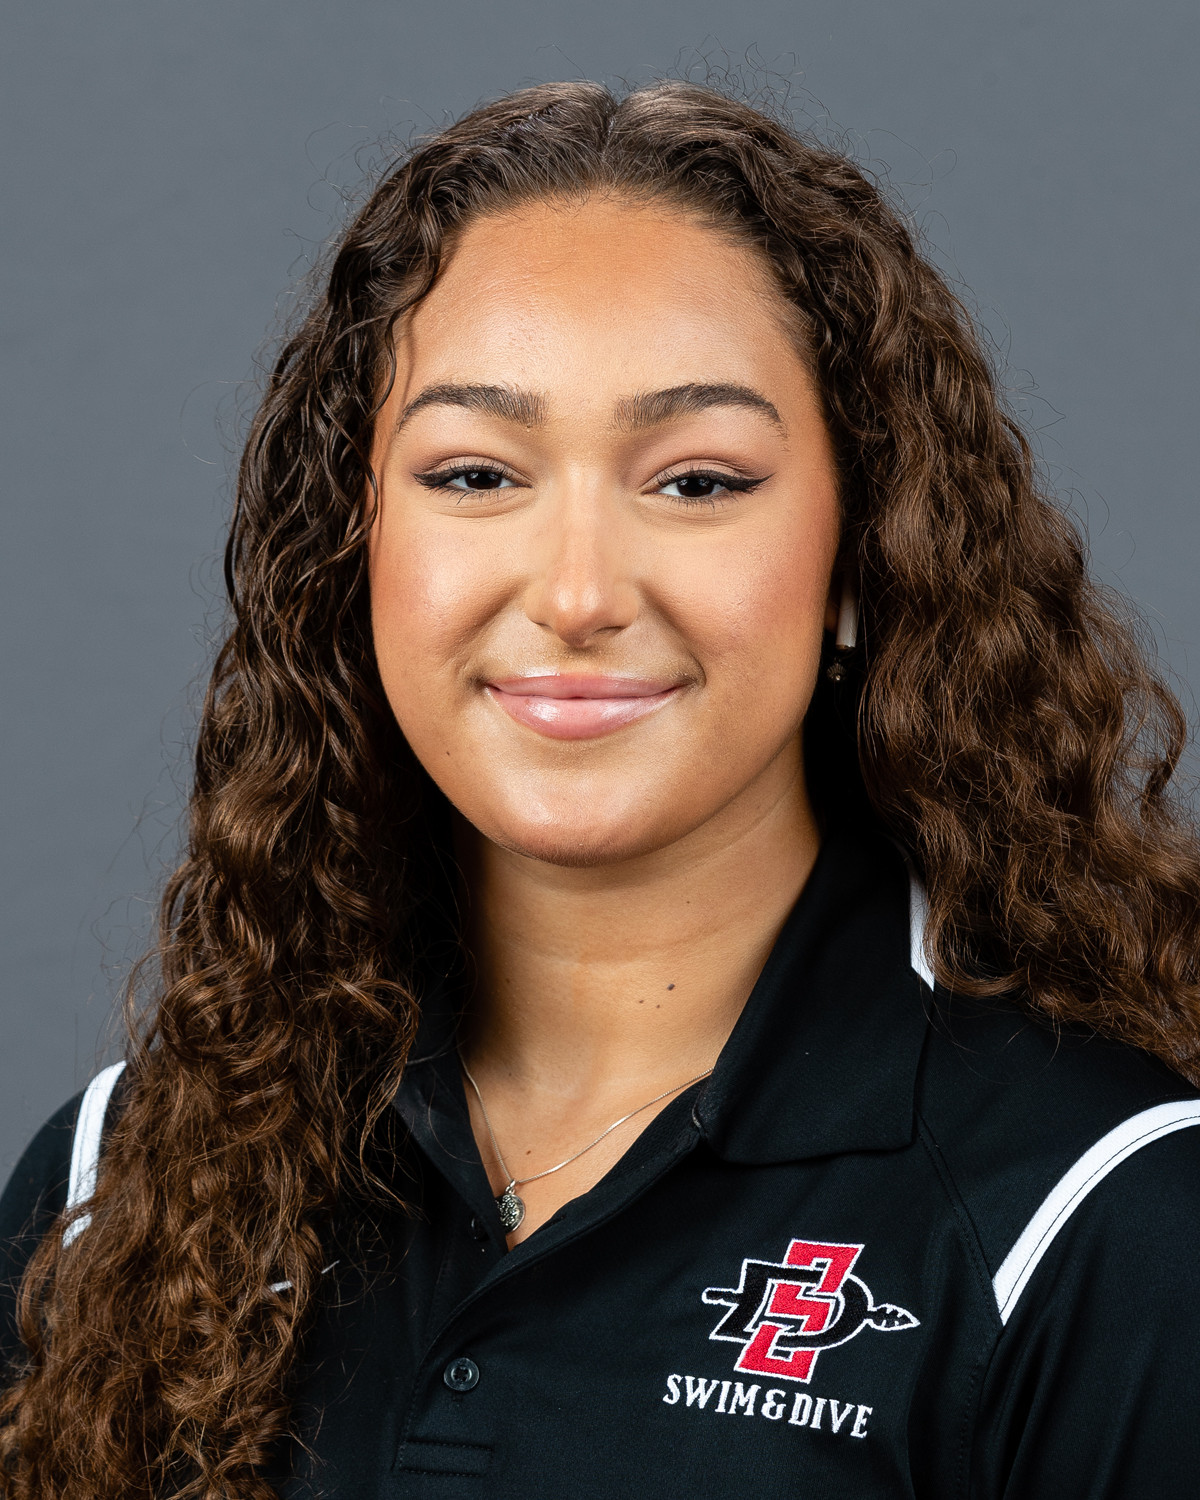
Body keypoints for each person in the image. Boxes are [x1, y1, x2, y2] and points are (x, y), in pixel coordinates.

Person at [2, 78, 1199, 1500]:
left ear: (861, 555)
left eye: (696, 482)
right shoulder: (121, 1179)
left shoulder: (1100, 1214)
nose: (576, 595)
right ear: (353, 546)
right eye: (473, 474)